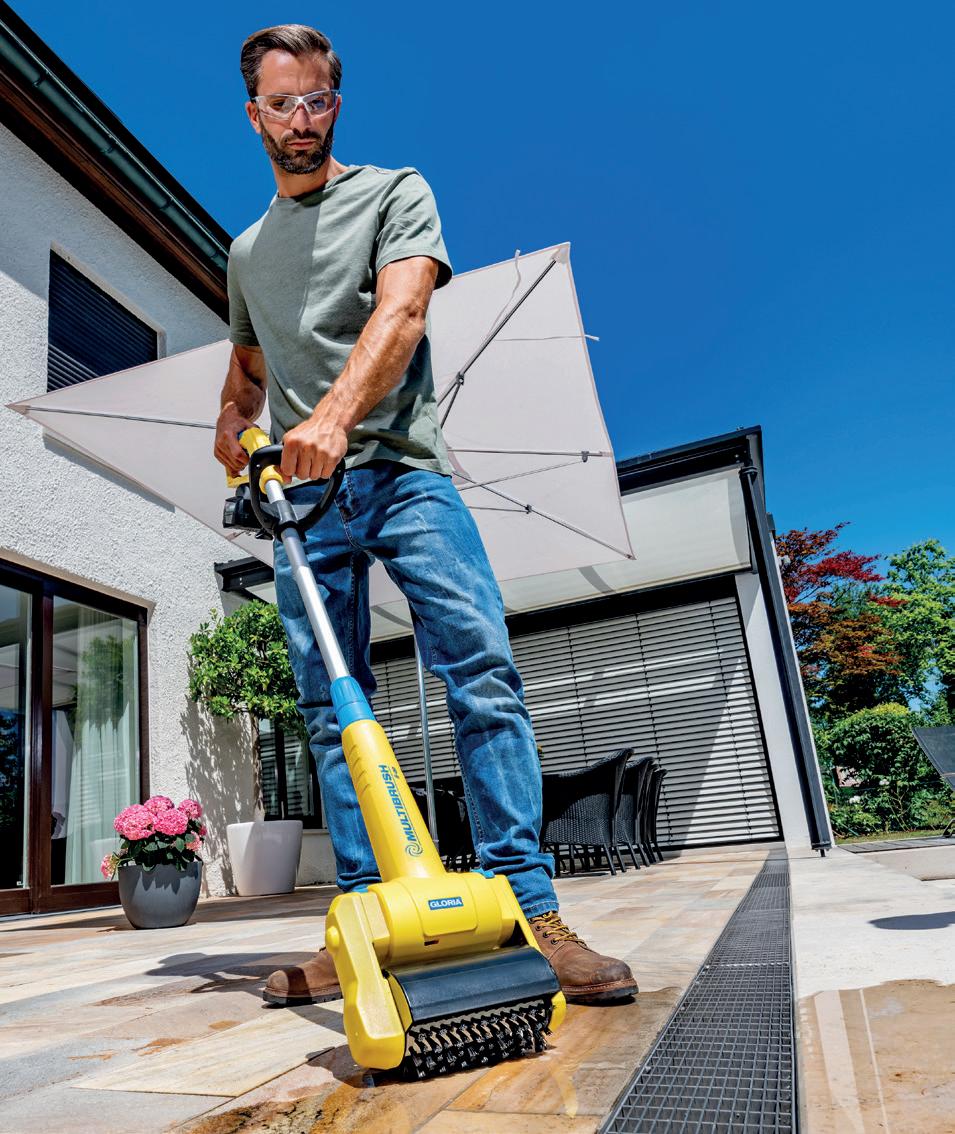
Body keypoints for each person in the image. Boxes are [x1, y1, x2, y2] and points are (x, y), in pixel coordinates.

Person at [215, 24, 637, 1006]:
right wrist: (233, 426)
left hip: (406, 475)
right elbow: (245, 376)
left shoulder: (395, 192)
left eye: (318, 100)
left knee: (480, 671)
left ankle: (529, 910)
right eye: (282, 103)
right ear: (253, 115)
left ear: (336, 104)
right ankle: (366, 919)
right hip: (304, 503)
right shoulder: (244, 253)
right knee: (331, 710)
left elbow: (401, 314)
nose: (302, 120)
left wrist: (332, 418)